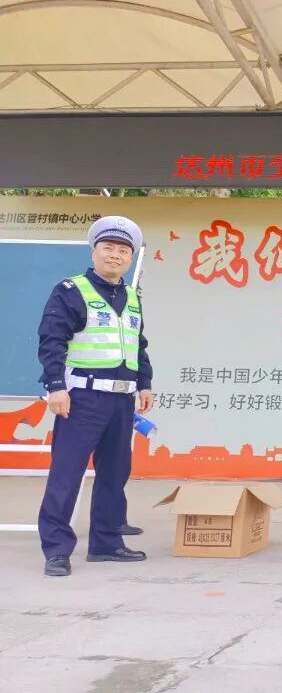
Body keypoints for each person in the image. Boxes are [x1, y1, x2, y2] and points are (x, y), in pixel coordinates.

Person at [37, 215, 153, 576]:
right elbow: (52, 340)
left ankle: (106, 543)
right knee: (67, 474)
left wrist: (144, 383)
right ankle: (57, 550)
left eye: (123, 250)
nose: (115, 255)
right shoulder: (71, 291)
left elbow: (138, 345)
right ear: (94, 251)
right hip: (81, 398)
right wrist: (55, 386)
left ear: (130, 258)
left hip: (122, 401)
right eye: (108, 248)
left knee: (114, 474)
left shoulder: (131, 297)